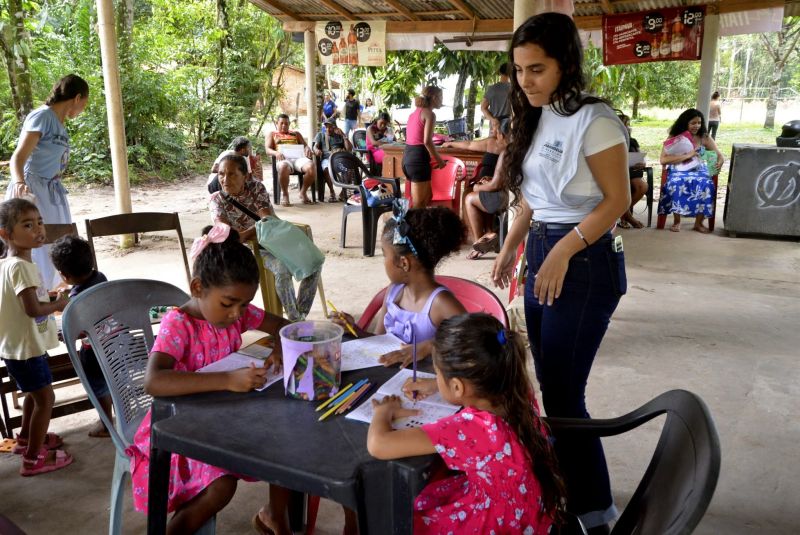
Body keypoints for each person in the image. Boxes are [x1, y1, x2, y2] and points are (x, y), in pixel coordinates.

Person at [490, 13, 630, 534]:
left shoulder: (594, 121)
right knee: (546, 384)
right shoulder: (539, 112)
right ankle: (561, 490)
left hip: (585, 259)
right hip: (547, 248)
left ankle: (595, 514)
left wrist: (561, 251)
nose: (525, 81)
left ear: (566, 65)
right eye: (520, 69)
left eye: (538, 69)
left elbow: (616, 201)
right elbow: (535, 200)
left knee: (567, 394)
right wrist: (510, 247)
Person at [127, 223, 290, 534]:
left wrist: (280, 348)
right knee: (221, 486)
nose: (237, 314)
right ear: (198, 288)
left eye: (244, 305)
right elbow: (154, 381)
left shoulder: (236, 312)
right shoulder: (179, 323)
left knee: (287, 447)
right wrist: (228, 380)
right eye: (229, 304)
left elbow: (282, 325)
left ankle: (275, 516)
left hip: (222, 418)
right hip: (181, 429)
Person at [367, 313, 564, 534]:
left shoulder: (474, 428)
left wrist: (383, 412)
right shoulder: (516, 387)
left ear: (458, 387)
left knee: (411, 518)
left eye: (437, 373)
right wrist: (438, 385)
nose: (436, 376)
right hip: (532, 509)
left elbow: (379, 444)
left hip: (498, 523)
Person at [330, 200, 466, 367]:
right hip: (391, 384)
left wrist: (431, 346)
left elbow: (476, 345)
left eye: (384, 254)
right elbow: (379, 340)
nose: (383, 261)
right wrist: (355, 330)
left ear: (403, 263)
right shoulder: (393, 293)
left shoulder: (440, 303)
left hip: (425, 385)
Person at [0, 198, 73, 476]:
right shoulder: (22, 267)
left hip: (17, 347)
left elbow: (26, 300)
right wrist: (57, 305)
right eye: (27, 225)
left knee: (33, 394)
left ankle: (27, 439)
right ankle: (33, 458)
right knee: (46, 399)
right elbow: (32, 309)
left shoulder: (8, 264)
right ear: (5, 234)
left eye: (39, 222)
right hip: (27, 349)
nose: (38, 230)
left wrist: (49, 297)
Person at [209, 154, 320, 321]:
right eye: (221, 174)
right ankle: (295, 320)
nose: (225, 179)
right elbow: (226, 232)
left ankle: (299, 315)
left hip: (275, 240)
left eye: (232, 174)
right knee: (282, 270)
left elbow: (267, 219)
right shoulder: (216, 200)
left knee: (314, 261)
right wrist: (248, 234)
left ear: (245, 176)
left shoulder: (256, 188)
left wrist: (245, 234)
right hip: (248, 250)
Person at [5, 74, 89, 291]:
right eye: (84, 104)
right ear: (77, 97)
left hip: (52, 189)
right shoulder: (42, 116)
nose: (83, 110)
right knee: (38, 243)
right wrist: (20, 184)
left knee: (58, 240)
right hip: (34, 187)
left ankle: (52, 294)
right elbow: (18, 157)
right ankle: (35, 293)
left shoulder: (59, 124)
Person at [49, 234, 112, 438]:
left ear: (64, 275)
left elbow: (78, 329)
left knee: (97, 388)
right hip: (113, 344)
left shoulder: (76, 299)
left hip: (93, 350)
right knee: (110, 383)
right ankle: (112, 415)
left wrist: (61, 332)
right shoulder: (99, 277)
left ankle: (106, 424)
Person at [443, 119, 510, 257]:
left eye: (497, 130)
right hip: (496, 184)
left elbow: (497, 184)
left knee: (469, 197)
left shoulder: (508, 152)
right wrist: (451, 143)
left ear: (503, 134)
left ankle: (480, 241)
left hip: (501, 191)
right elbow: (469, 144)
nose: (494, 132)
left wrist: (479, 187)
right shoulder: (498, 144)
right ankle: (483, 236)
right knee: (469, 192)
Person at [658, 108, 723, 233]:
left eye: (699, 123)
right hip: (678, 168)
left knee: (707, 184)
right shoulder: (675, 137)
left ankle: (698, 223)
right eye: (693, 123)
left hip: (699, 169)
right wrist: (688, 155)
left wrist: (719, 162)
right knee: (676, 183)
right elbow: (663, 160)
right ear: (685, 123)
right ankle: (677, 221)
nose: (696, 126)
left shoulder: (704, 137)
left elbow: (719, 155)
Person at [403, 86, 445, 208]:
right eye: (441, 97)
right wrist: (439, 160)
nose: (442, 100)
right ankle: (411, 226)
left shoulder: (414, 114)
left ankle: (420, 225)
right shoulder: (430, 114)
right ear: (434, 98)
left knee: (427, 197)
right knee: (418, 205)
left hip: (409, 158)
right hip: (418, 160)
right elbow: (427, 141)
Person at [265, 114, 317, 206]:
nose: (284, 126)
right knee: (283, 167)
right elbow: (267, 149)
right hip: (283, 159)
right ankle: (285, 194)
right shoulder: (272, 134)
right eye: (281, 123)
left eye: (286, 124)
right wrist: (276, 153)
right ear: (277, 123)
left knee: (311, 166)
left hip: (298, 158)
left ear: (289, 124)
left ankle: (303, 192)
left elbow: (305, 146)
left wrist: (307, 149)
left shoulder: (296, 133)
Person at [616, 112, 648, 229]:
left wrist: (642, 163)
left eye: (628, 124)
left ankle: (623, 213)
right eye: (625, 124)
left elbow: (641, 157)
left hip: (633, 170)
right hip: (617, 171)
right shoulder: (612, 140)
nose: (628, 127)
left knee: (642, 186)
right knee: (621, 188)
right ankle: (628, 216)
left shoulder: (633, 141)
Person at [313, 117, 352, 203]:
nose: (328, 129)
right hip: (327, 159)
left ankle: (343, 193)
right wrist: (316, 150)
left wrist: (344, 136)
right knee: (326, 168)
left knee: (349, 170)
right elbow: (315, 146)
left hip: (339, 160)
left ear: (335, 127)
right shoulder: (321, 135)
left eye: (331, 127)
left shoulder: (340, 136)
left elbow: (349, 149)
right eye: (326, 127)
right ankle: (332, 192)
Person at [481, 62, 512, 134]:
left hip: (495, 127)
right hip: (510, 126)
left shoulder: (492, 89)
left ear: (500, 72)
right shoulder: (515, 89)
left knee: (492, 144)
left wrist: (492, 119)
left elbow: (483, 107)